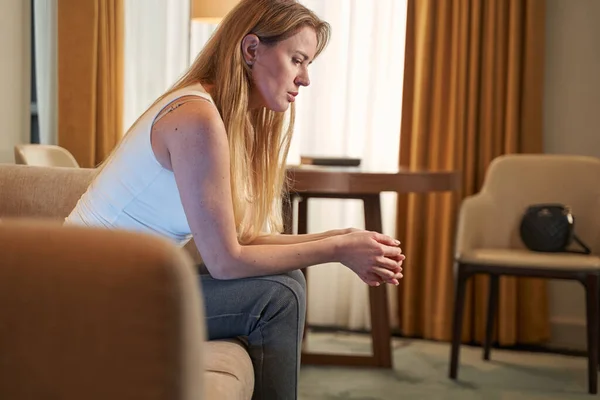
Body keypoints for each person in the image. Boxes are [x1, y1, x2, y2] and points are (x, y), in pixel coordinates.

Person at [64, 0, 405, 398]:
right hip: (91, 300)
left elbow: (240, 238)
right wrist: (337, 249)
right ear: (251, 50)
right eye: (298, 60)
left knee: (287, 280)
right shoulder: (197, 119)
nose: (306, 78)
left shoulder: (213, 114)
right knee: (279, 297)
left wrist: (343, 237)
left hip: (125, 286)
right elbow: (225, 261)